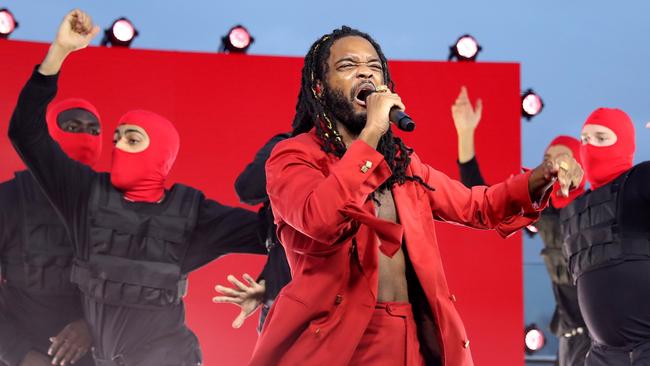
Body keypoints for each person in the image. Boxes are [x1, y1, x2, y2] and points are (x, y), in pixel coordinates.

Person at [248, 26, 583, 366]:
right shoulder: (293, 156)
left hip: (415, 340)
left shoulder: (402, 165)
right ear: (319, 87)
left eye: (374, 66)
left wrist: (542, 176)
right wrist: (372, 132)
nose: (365, 71)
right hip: (337, 341)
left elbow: (478, 206)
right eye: (348, 65)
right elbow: (320, 219)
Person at [8, 10, 266, 365]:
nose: (118, 148)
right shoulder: (86, 197)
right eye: (117, 139)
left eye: (133, 139)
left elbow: (277, 233)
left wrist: (272, 282)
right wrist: (59, 52)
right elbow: (25, 132)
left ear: (161, 153)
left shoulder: (193, 213)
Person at [451, 86, 591, 365]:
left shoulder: (599, 205)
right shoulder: (544, 208)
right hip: (569, 335)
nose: (554, 165)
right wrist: (465, 135)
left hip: (605, 335)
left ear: (578, 163)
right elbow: (486, 201)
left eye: (563, 158)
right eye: (548, 160)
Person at [1, 98, 99, 366]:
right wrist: (19, 355)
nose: (85, 138)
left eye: (94, 131)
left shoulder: (112, 205)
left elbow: (131, 284)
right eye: (73, 127)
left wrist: (92, 325)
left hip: (96, 354)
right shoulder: (8, 200)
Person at [561, 108, 650, 366]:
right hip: (603, 355)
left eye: (601, 138)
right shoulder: (573, 212)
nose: (590, 147)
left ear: (624, 143)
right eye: (585, 140)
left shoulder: (640, 181)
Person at [213, 133, 292, 332]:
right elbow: (248, 188)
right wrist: (270, 285)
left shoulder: (366, 157)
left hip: (341, 312)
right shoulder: (289, 145)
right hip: (281, 309)